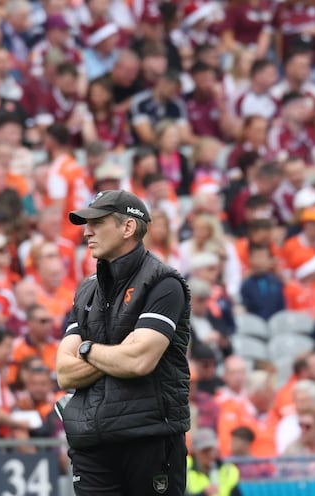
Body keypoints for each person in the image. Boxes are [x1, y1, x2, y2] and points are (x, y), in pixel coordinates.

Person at [56, 190, 190, 495]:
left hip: (148, 437)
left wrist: (86, 350)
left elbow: (138, 361)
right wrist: (118, 353)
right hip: (91, 441)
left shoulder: (164, 284)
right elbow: (64, 372)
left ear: (128, 228)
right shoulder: (86, 290)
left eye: (97, 222)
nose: (87, 231)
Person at [186, 428, 242, 496]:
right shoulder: (184, 467)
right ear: (194, 451)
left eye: (212, 449)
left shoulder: (229, 470)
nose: (210, 454)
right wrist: (203, 494)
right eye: (205, 450)